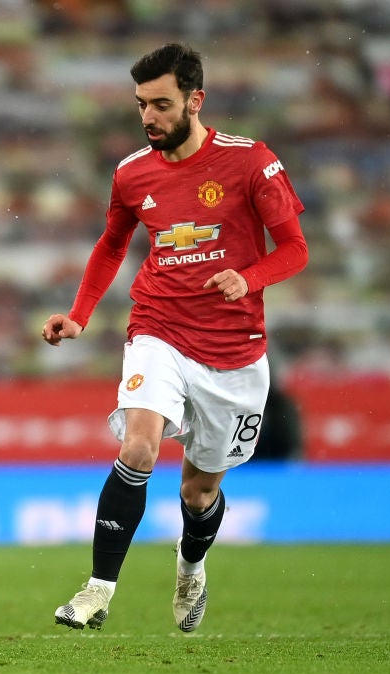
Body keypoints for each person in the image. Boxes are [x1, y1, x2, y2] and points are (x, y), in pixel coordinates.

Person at [42, 44, 308, 633]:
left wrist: (251, 275)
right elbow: (112, 245)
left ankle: (191, 566)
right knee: (138, 448)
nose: (148, 117)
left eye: (161, 105)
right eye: (141, 105)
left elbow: (295, 248)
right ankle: (96, 591)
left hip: (235, 352)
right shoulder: (132, 173)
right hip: (157, 327)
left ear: (196, 100)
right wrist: (81, 314)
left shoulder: (252, 163)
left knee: (198, 489)